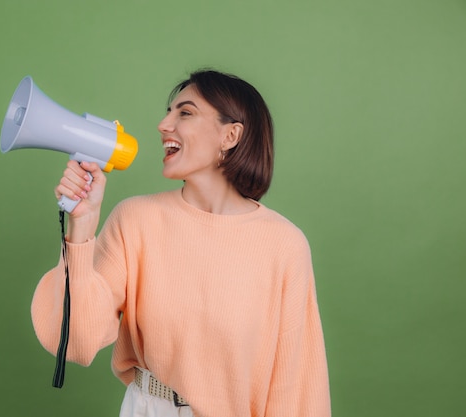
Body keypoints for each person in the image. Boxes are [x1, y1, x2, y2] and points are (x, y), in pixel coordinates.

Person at [31, 69, 331, 417]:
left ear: (230, 135)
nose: (163, 124)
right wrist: (81, 226)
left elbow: (296, 388)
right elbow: (75, 341)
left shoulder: (284, 245)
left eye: (184, 113)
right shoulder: (135, 220)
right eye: (168, 111)